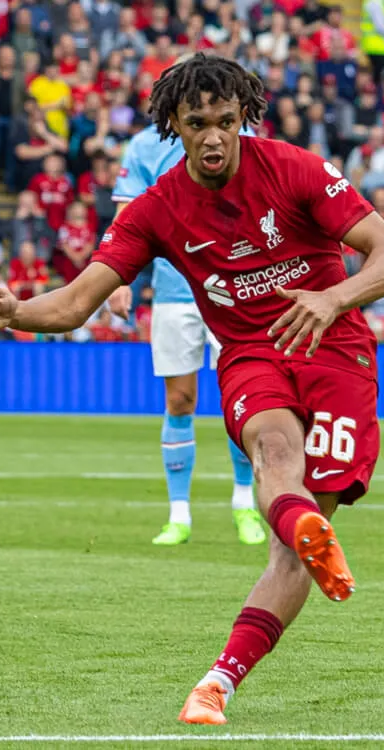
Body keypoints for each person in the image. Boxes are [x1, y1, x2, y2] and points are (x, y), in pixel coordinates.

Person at [0, 53, 384, 725]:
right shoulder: (157, 208)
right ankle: (220, 677)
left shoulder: (296, 168)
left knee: (290, 548)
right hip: (253, 354)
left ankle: (242, 640)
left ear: (244, 118)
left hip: (336, 350)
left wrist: (331, 297)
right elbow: (78, 302)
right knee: (277, 457)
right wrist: (14, 313)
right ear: (173, 123)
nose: (214, 136)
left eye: (226, 120)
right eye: (198, 123)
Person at [107, 110, 269, 548]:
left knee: (243, 399)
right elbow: (127, 214)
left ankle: (245, 504)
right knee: (180, 399)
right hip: (173, 290)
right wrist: (119, 277)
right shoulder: (144, 145)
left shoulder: (242, 137)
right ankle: (179, 514)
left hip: (236, 290)